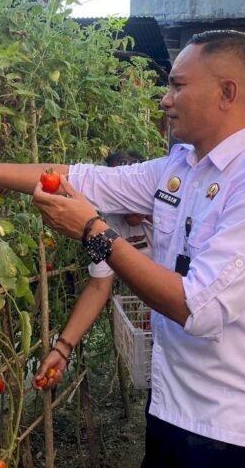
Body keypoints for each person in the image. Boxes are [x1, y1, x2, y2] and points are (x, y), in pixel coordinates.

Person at [0, 30, 245, 467]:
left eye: (178, 85)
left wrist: (95, 232)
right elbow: (79, 177)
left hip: (238, 430)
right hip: (174, 407)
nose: (165, 100)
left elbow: (200, 309)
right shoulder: (179, 168)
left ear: (226, 92)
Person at [35, 151, 154, 381]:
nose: (129, 208)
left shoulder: (173, 211)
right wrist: (63, 347)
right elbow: (99, 286)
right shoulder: (109, 223)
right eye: (121, 199)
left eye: (134, 195)